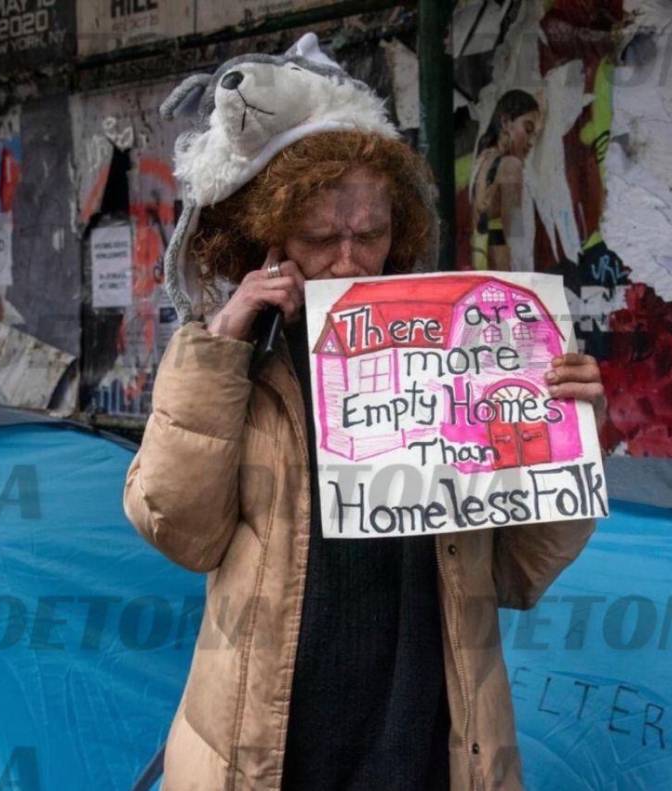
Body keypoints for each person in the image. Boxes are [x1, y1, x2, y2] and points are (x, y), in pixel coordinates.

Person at [124, 36, 604, 791]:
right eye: (320, 237)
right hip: (271, 758)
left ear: (398, 229)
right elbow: (179, 529)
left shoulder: (460, 358)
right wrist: (220, 344)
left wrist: (569, 436)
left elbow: (519, 571)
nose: (348, 259)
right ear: (272, 234)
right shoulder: (238, 364)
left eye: (370, 234)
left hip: (431, 759)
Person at [470, 91, 542, 272]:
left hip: (485, 270)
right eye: (528, 129)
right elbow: (516, 234)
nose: (532, 141)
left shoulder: (482, 160)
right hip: (508, 272)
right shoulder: (511, 166)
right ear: (505, 123)